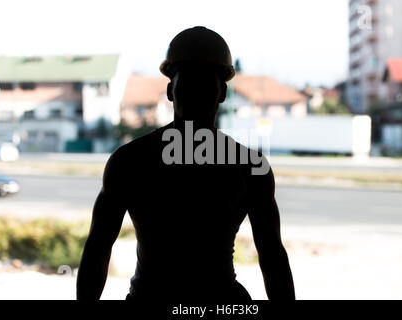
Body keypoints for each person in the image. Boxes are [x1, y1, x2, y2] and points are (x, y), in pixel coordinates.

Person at [76, 26, 295, 302]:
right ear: (170, 91)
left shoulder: (131, 161)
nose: (196, 96)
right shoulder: (248, 166)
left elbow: (272, 255)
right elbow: (97, 248)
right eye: (189, 85)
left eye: (204, 86)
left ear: (221, 93)